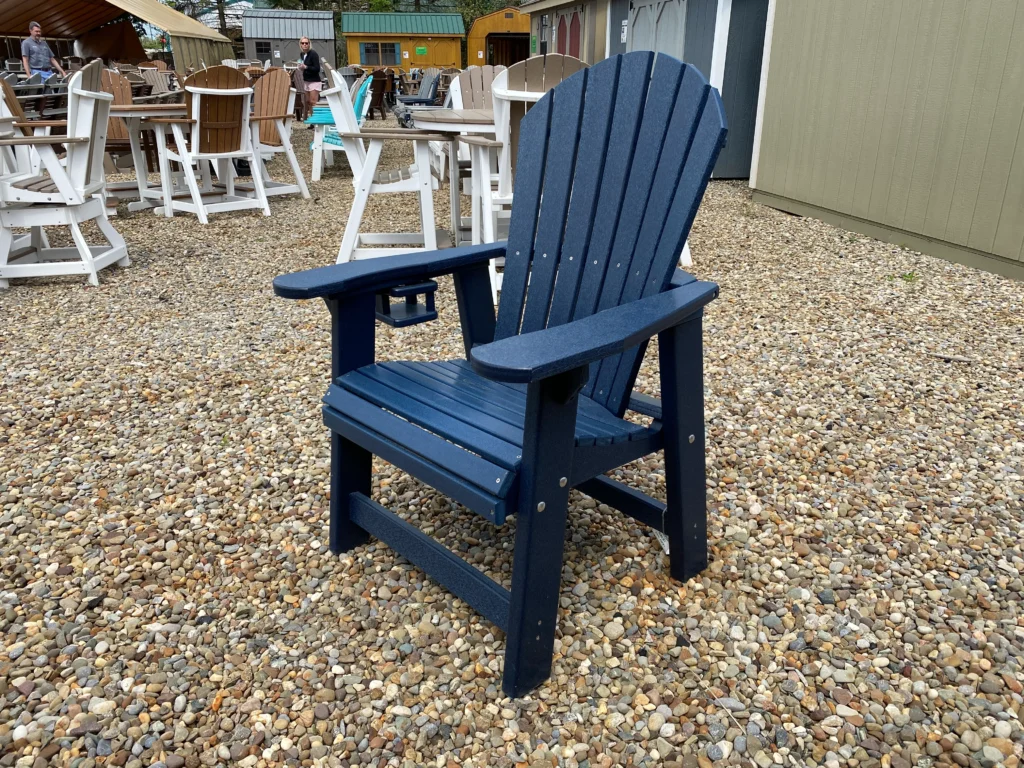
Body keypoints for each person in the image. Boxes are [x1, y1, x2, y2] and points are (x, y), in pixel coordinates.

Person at [297, 37, 321, 121]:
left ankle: (316, 121)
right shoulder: (302, 54)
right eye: (302, 43)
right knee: (308, 101)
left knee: (313, 102)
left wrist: (306, 67)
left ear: (309, 44)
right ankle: (313, 121)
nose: (304, 45)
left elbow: (317, 68)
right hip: (306, 80)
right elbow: (303, 66)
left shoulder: (313, 54)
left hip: (314, 81)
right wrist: (301, 67)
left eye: (306, 43)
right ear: (300, 44)